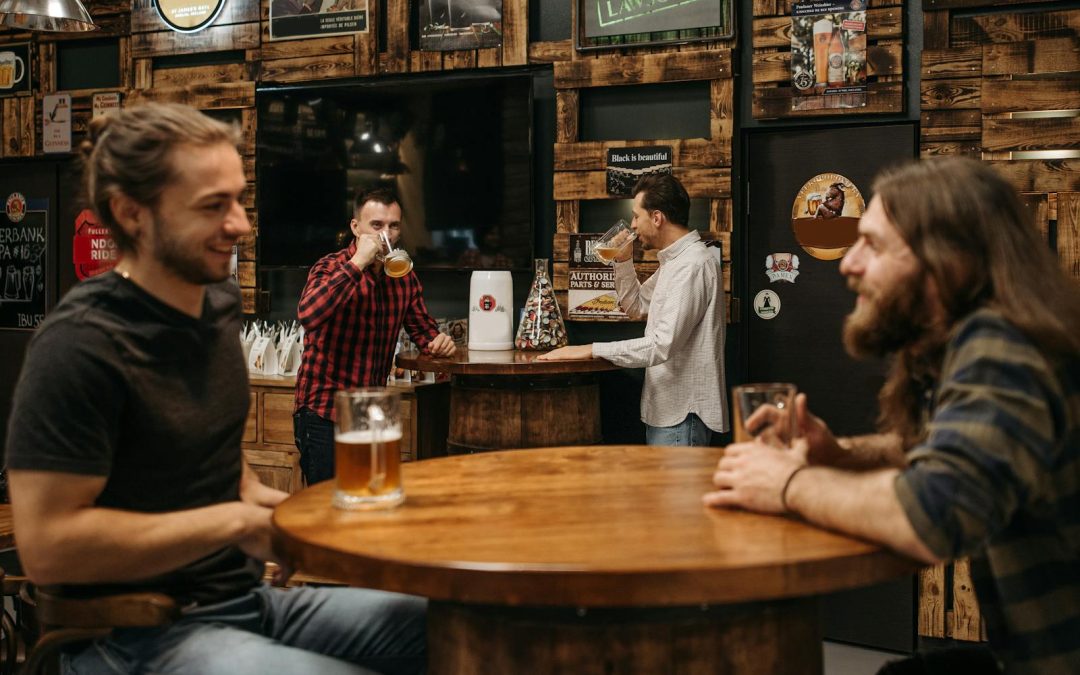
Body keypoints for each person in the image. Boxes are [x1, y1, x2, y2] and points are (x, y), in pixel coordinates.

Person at [3, 103, 426, 675]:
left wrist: (309, 519)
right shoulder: (79, 344)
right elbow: (49, 547)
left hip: (247, 602)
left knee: (458, 623)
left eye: (238, 200)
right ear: (132, 214)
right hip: (135, 632)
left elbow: (226, 476)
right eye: (213, 206)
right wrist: (234, 525)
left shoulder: (215, 308)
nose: (241, 225)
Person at [705, 157, 1080, 675]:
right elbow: (938, 449)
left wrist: (788, 483)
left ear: (948, 261)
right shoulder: (983, 337)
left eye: (873, 245)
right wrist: (841, 454)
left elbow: (934, 515)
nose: (847, 264)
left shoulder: (1001, 347)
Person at [540, 174, 727, 446]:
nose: (633, 225)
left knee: (674, 491)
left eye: (637, 216)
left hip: (683, 414)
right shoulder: (675, 262)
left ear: (657, 218)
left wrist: (590, 349)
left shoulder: (692, 265)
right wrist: (623, 260)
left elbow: (660, 346)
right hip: (669, 412)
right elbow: (636, 307)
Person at [294, 187, 455, 485]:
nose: (386, 235)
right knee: (328, 509)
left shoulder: (403, 276)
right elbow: (308, 315)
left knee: (368, 505)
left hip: (371, 415)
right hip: (323, 412)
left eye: (393, 226)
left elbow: (424, 333)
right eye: (377, 225)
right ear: (356, 227)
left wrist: (438, 342)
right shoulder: (330, 267)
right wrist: (358, 264)